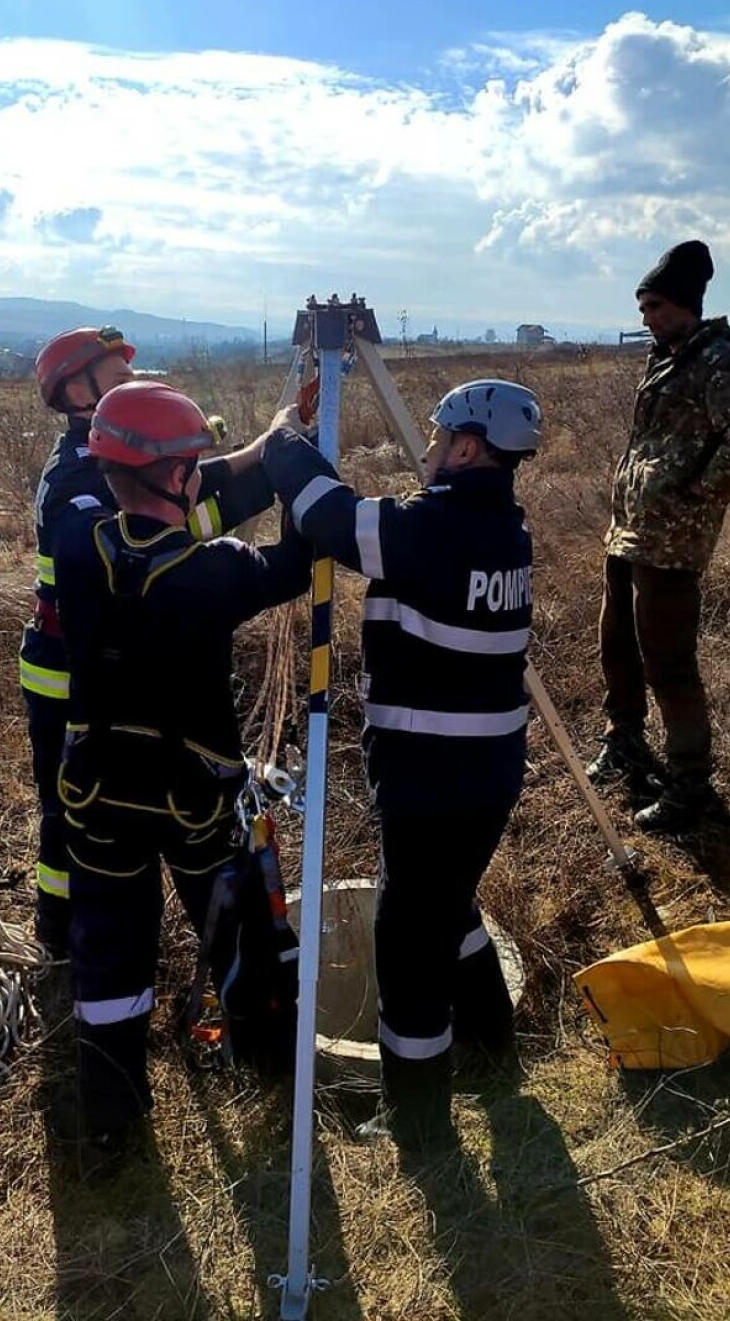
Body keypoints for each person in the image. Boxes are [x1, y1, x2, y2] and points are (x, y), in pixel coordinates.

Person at [262, 378, 540, 1154]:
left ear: (468, 447)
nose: (426, 446)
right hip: (483, 769)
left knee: (408, 942)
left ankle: (418, 1120)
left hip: (432, 773)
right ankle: (492, 1044)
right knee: (448, 900)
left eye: (438, 433)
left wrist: (286, 437)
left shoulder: (435, 529)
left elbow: (330, 518)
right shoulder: (502, 529)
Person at [54, 380, 311, 1142]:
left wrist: (263, 446)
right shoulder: (215, 572)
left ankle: (113, 1119)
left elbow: (159, 518)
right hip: (192, 802)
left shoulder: (77, 545)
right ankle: (269, 1066)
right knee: (239, 934)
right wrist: (294, 469)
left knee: (107, 950)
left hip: (96, 791)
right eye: (192, 463)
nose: (200, 472)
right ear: (174, 477)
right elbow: (294, 563)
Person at [22, 327, 272, 956]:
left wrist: (264, 456)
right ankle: (61, 931)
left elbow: (181, 502)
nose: (128, 377)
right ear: (76, 390)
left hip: (105, 663)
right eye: (113, 369)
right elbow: (156, 538)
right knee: (68, 803)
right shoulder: (77, 480)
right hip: (66, 673)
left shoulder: (115, 460)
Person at [586, 241, 730, 832]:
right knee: (616, 643)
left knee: (668, 662)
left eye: (654, 306)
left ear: (684, 306)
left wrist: (695, 494)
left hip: (671, 541)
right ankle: (627, 743)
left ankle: (690, 783)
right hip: (631, 532)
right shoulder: (669, 354)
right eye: (642, 306)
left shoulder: (722, 360)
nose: (645, 316)